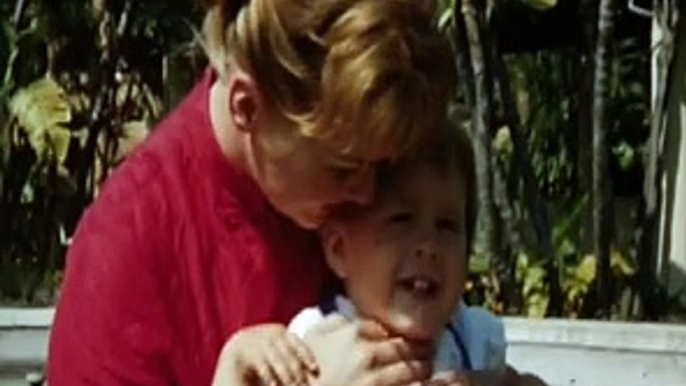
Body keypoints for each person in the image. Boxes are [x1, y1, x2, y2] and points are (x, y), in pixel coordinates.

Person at [47, 0, 456, 385]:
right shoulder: (128, 244)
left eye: (381, 166)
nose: (368, 194)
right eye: (342, 169)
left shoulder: (345, 162)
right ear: (246, 107)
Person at [288, 124, 548, 386]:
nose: (428, 245)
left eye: (447, 225)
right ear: (339, 250)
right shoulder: (316, 339)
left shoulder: (472, 338)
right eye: (402, 220)